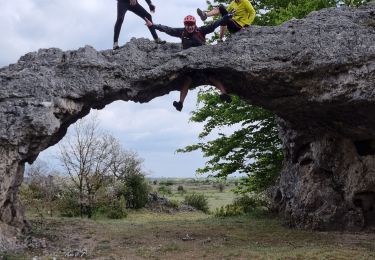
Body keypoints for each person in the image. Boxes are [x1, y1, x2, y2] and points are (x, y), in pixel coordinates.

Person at [145, 15, 232, 112]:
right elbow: (168, 29)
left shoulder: (201, 31)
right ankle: (180, 103)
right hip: (189, 62)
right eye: (187, 25)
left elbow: (213, 25)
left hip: (203, 60)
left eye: (192, 25)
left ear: (195, 24)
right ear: (184, 25)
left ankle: (224, 94)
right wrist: (154, 25)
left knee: (211, 76)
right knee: (187, 80)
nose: (190, 27)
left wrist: (225, 18)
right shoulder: (181, 32)